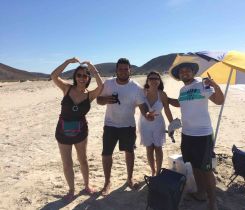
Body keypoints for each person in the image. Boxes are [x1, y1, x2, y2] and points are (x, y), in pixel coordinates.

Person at [168, 62, 224, 210]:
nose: (184, 73)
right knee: (194, 166)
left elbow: (220, 100)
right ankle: (200, 193)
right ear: (179, 75)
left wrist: (215, 85)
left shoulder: (203, 85)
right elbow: (181, 103)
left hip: (202, 135)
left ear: (193, 72)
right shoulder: (182, 89)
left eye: (187, 70)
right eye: (181, 71)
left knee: (206, 169)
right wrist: (167, 99)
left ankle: (212, 202)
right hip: (187, 135)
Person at [96, 58, 154, 196]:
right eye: (120, 69)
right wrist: (105, 100)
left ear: (130, 70)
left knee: (129, 152)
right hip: (110, 125)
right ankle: (107, 182)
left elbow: (142, 106)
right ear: (116, 70)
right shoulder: (108, 83)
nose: (123, 71)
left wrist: (147, 114)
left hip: (128, 126)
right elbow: (98, 100)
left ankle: (129, 178)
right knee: (106, 153)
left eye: (125, 69)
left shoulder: (136, 87)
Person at [51, 57, 103, 201]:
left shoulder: (90, 94)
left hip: (80, 131)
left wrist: (92, 67)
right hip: (63, 130)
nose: (81, 78)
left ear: (88, 78)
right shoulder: (67, 88)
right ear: (75, 76)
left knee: (83, 160)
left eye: (85, 75)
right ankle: (71, 190)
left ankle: (86, 186)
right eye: (78, 75)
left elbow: (101, 87)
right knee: (67, 163)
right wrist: (67, 62)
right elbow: (53, 76)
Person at [139, 71, 174, 176]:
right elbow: (135, 105)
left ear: (159, 81)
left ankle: (158, 171)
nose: (154, 80)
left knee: (158, 148)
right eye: (151, 78)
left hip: (158, 124)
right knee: (149, 148)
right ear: (147, 81)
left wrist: (172, 124)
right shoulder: (142, 93)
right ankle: (153, 170)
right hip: (144, 124)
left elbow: (167, 110)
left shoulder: (162, 94)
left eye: (156, 78)